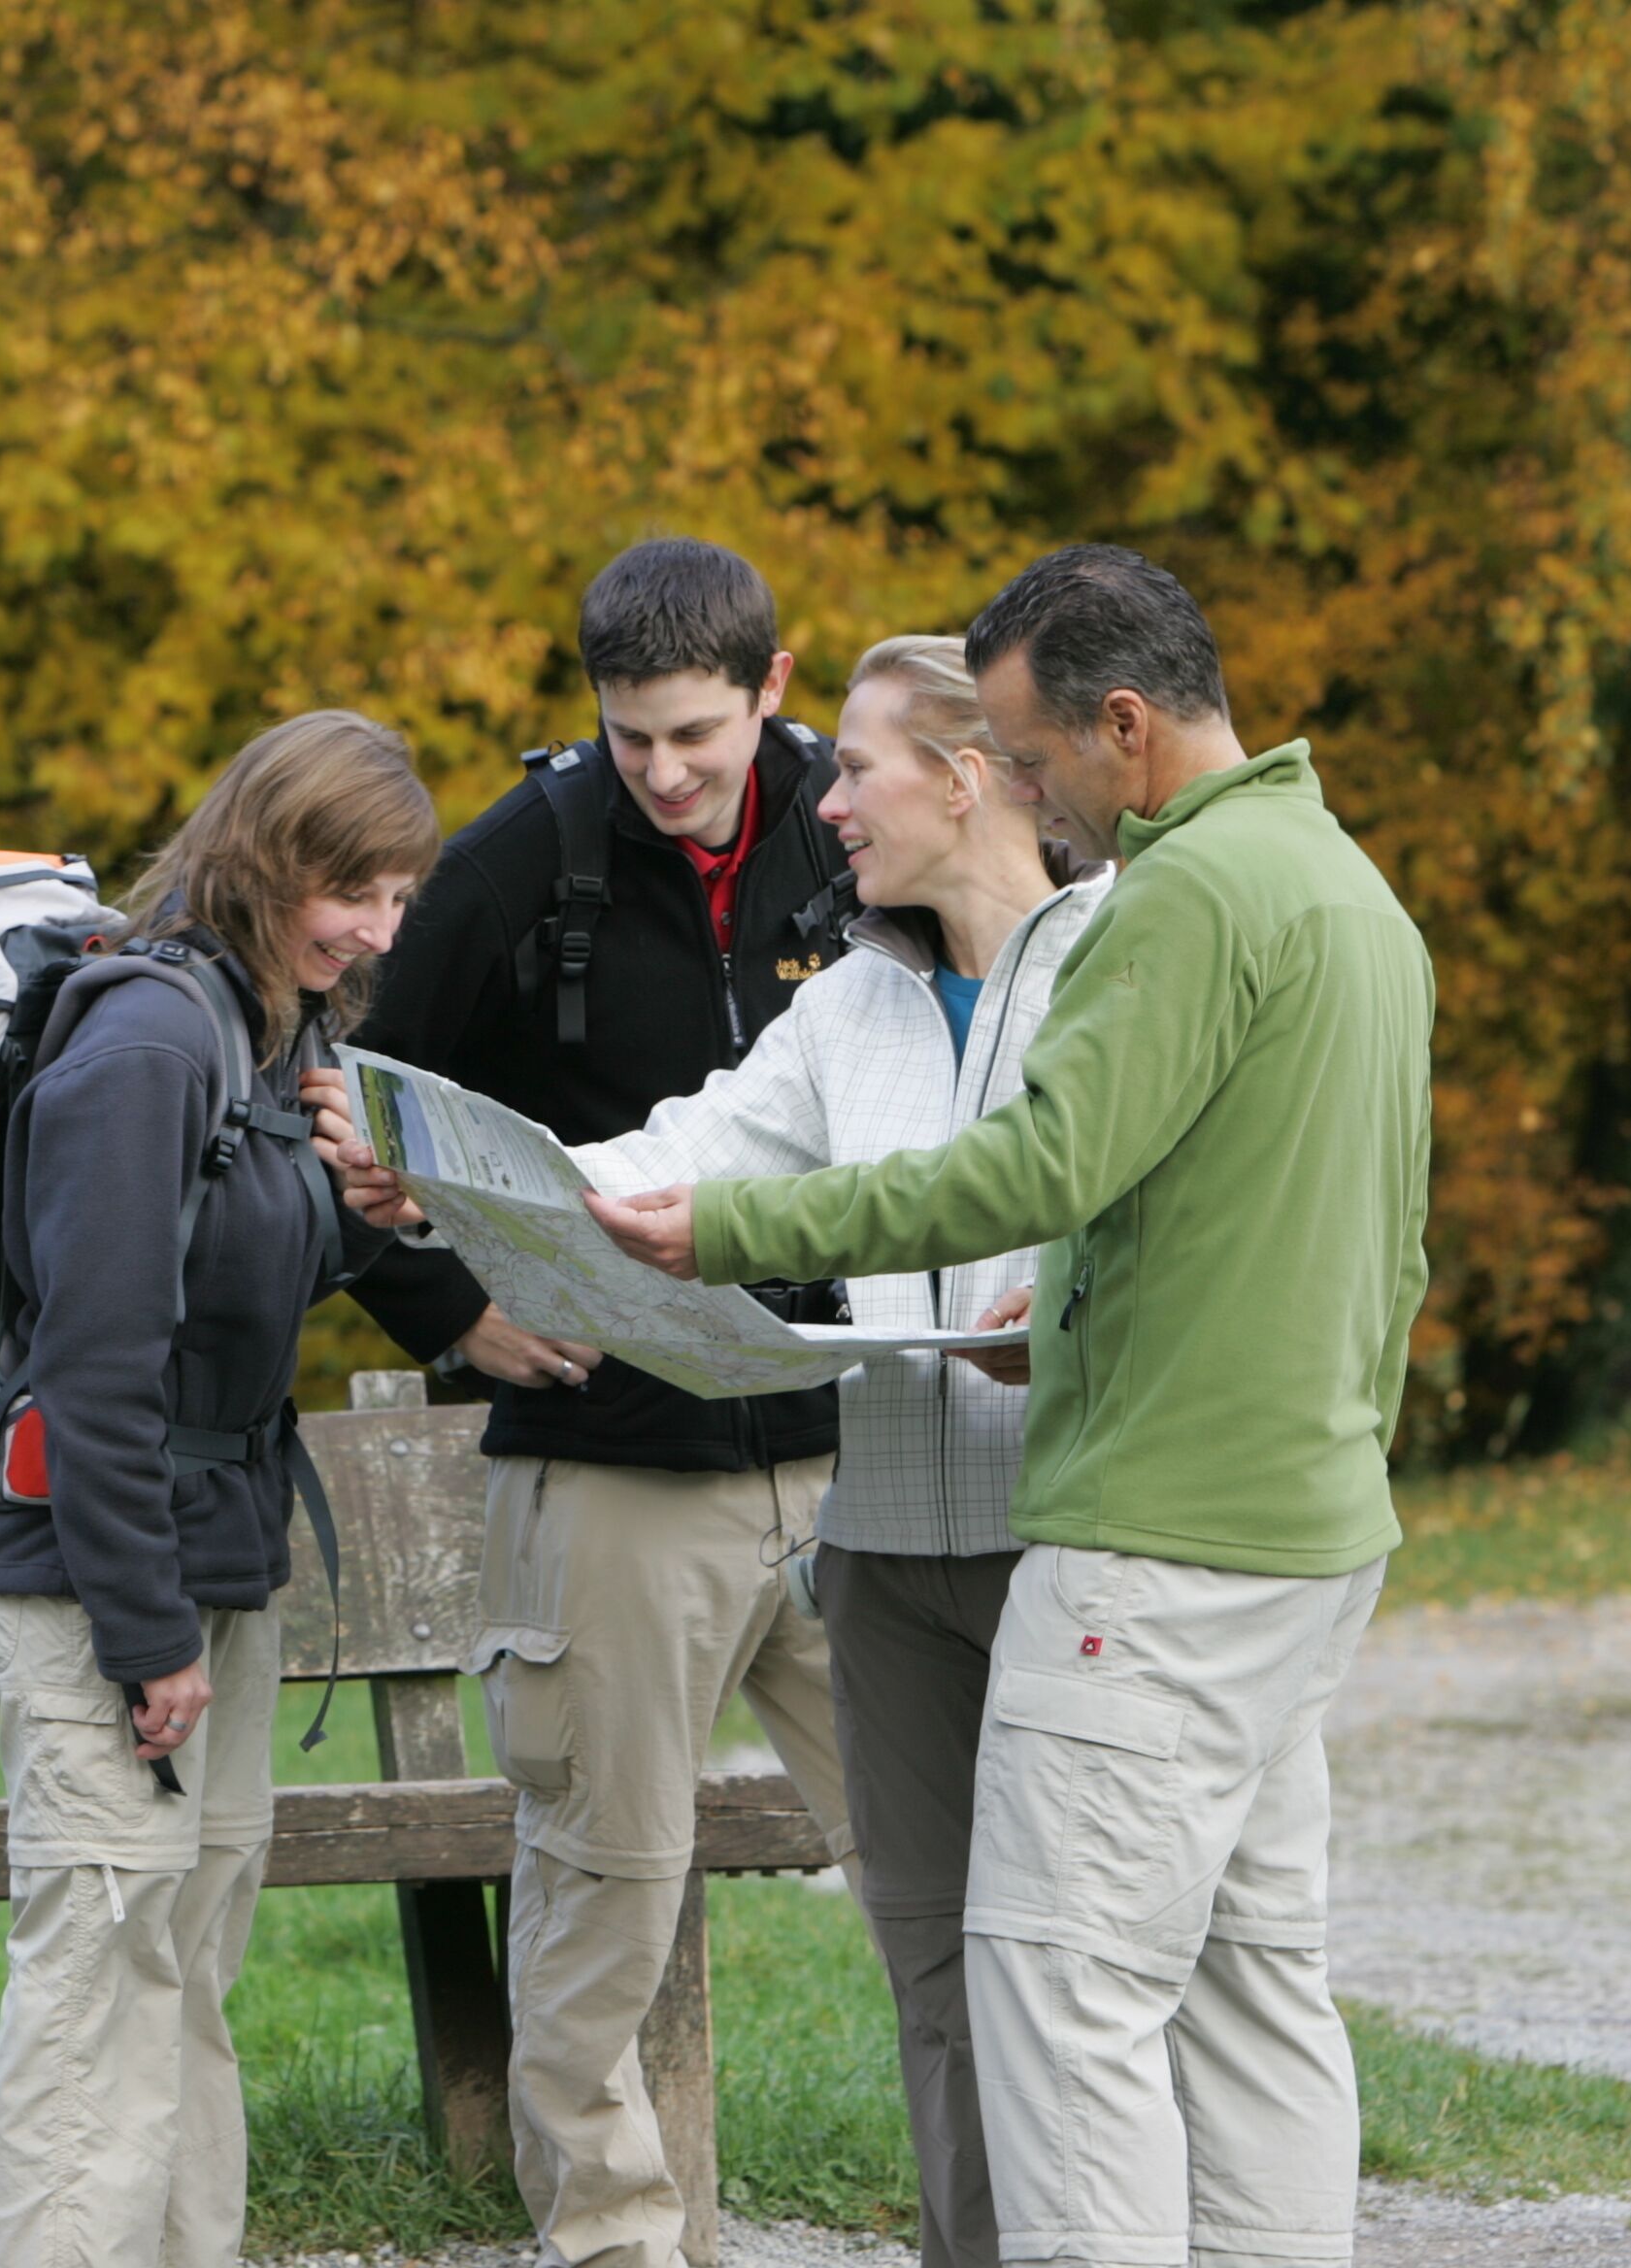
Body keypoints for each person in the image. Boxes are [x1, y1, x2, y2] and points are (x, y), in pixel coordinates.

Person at [578, 548, 1433, 2268]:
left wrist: (736, 1233)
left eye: (1035, 759)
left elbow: (1038, 1166)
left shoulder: (1181, 898)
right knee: (1256, 1991)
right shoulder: (1346, 890)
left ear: (1127, 725)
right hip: (1304, 1537)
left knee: (1056, 1998)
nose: (1023, 792)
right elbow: (1367, 1240)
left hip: (1151, 1552)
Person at [327, 537, 860, 2268]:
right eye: (632, 736)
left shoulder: (856, 829)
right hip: (617, 1466)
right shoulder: (517, 865)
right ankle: (617, 2245)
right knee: (605, 1893)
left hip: (857, 1450)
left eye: (699, 733)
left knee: (960, 1862)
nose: (666, 772)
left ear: (776, 690)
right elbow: (352, 1122)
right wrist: (450, 1313)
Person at [557, 634, 1104, 2268]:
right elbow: (692, 1147)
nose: (825, 800)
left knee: (1079, 1965)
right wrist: (489, 1183)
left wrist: (1062, 1302)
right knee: (933, 1972)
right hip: (883, 1559)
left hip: (1070, 1538)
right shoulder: (848, 1000)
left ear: (968, 774)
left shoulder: (1121, 962)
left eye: (854, 769)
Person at [0, 709, 436, 2268]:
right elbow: (98, 1368)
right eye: (350, 891)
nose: (373, 932)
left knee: (180, 1977)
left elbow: (240, 1285)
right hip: (110, 1586)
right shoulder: (149, 1043)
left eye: (396, 899)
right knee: (97, 1987)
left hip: (216, 1570)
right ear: (264, 857)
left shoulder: (270, 1027)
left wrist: (361, 1213)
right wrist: (143, 1631)